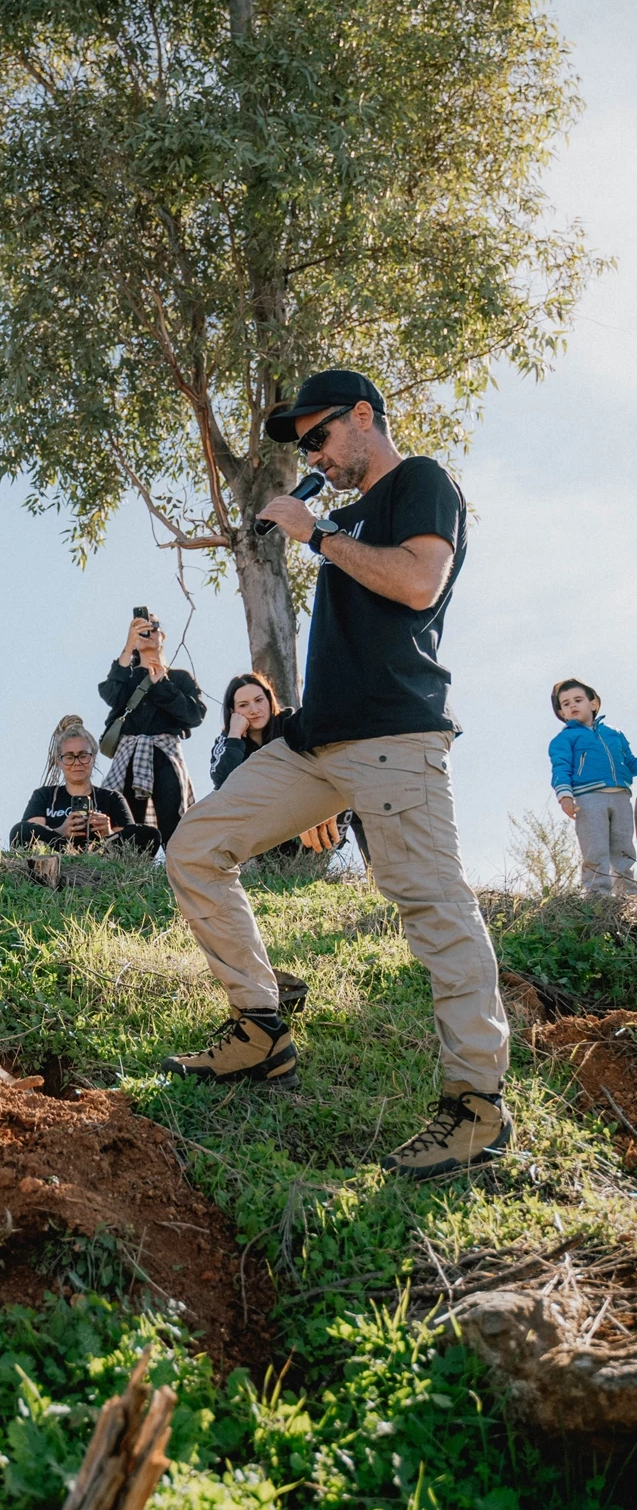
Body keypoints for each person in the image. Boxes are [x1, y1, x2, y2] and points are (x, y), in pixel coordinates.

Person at [160, 367, 511, 1183]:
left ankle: (475, 1108)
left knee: (433, 906)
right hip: (316, 742)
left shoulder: (421, 482)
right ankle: (259, 1028)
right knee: (194, 847)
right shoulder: (347, 516)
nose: (312, 453)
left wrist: (314, 535)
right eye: (303, 445)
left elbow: (419, 581)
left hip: (395, 736)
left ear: (363, 417)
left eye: (318, 437)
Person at [211, 672, 363, 864]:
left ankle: (358, 865)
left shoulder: (291, 725)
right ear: (233, 712)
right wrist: (234, 735)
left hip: (307, 817)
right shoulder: (226, 742)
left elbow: (330, 762)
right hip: (263, 829)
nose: (254, 709)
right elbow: (223, 784)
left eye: (259, 700)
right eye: (243, 705)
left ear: (269, 699)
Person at [97, 613, 205, 845]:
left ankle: (177, 871)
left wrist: (162, 685)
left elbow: (195, 715)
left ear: (162, 636)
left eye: (153, 627)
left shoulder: (178, 678)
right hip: (129, 755)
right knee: (127, 823)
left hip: (166, 755)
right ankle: (129, 872)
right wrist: (127, 648)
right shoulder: (127, 675)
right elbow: (110, 694)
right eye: (140, 628)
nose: (147, 632)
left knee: (174, 819)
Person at [548, 678, 637, 898]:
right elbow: (561, 769)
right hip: (588, 800)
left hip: (621, 797)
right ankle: (597, 895)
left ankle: (628, 895)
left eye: (578, 700)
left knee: (624, 847)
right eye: (566, 704)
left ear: (594, 703)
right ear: (562, 713)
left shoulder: (614, 734)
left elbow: (631, 763)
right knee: (595, 848)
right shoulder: (564, 739)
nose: (573, 705)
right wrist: (565, 797)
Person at [11, 717, 153, 853]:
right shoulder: (45, 795)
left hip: (102, 855)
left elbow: (130, 838)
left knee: (149, 834)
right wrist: (61, 831)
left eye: (83, 755)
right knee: (20, 830)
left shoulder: (112, 798)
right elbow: (30, 831)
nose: (77, 762)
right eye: (69, 757)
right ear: (59, 761)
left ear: (94, 758)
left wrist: (107, 832)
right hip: (58, 851)